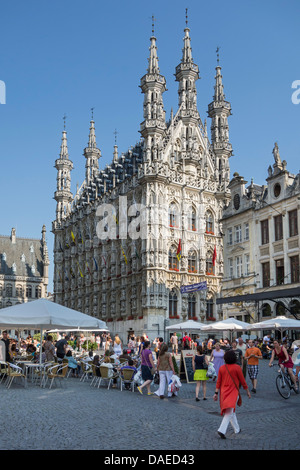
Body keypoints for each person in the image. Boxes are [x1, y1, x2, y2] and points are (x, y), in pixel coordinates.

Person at [213, 349, 251, 439]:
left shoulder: (222, 368)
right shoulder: (237, 368)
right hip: (233, 392)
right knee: (229, 412)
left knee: (230, 411)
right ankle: (221, 430)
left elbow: (218, 382)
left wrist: (216, 393)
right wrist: (248, 391)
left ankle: (237, 429)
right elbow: (243, 381)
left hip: (223, 393)